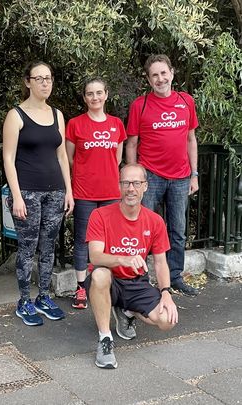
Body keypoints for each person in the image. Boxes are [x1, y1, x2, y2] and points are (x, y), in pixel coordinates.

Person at [85, 163, 178, 369]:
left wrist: (166, 292)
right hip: (110, 280)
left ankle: (127, 311)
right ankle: (105, 338)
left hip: (136, 282)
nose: (130, 188)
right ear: (119, 186)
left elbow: (161, 262)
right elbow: (95, 256)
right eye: (126, 182)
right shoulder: (100, 215)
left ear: (145, 186)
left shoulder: (155, 221)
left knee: (167, 320)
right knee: (99, 274)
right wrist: (122, 259)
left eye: (136, 183)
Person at [2, 61, 74, 326]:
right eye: (39, 78)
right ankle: (24, 301)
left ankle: (44, 296)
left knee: (48, 248)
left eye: (49, 78)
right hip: (28, 193)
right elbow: (8, 159)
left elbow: (62, 156)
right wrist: (17, 196)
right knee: (26, 249)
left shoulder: (57, 114)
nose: (45, 83)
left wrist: (68, 190)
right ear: (28, 82)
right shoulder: (16, 115)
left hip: (55, 191)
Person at [126, 54, 199, 296]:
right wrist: (133, 181)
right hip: (151, 178)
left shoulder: (186, 101)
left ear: (172, 73)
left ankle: (175, 277)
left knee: (177, 230)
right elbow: (132, 144)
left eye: (163, 73)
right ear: (149, 80)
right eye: (154, 75)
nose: (160, 78)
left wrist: (194, 174)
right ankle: (141, 277)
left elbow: (191, 139)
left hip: (180, 177)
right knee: (143, 230)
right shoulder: (140, 105)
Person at [65, 77, 126, 310]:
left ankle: (108, 285)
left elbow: (117, 158)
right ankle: (81, 287)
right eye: (90, 94)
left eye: (99, 93)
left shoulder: (116, 124)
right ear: (84, 98)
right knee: (83, 239)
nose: (95, 97)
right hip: (84, 192)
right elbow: (70, 158)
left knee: (110, 241)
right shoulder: (75, 124)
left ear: (106, 94)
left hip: (111, 191)